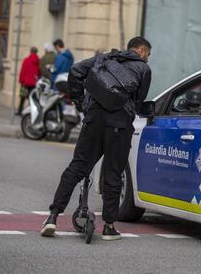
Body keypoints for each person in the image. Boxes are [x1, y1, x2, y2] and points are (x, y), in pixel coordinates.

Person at [41, 36, 152, 240]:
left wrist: (80, 101)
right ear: (143, 51)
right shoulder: (143, 68)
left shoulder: (104, 59)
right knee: (113, 173)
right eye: (148, 54)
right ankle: (109, 226)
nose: (148, 58)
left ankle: (52, 217)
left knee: (76, 168)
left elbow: (75, 71)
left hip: (94, 120)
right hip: (119, 125)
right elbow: (139, 100)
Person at [17, 47, 40, 115]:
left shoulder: (26, 60)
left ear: (30, 52)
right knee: (32, 98)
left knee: (22, 98)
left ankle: (20, 111)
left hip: (25, 82)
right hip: (34, 83)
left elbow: (23, 71)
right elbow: (39, 72)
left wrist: (21, 80)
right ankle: (31, 112)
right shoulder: (38, 61)